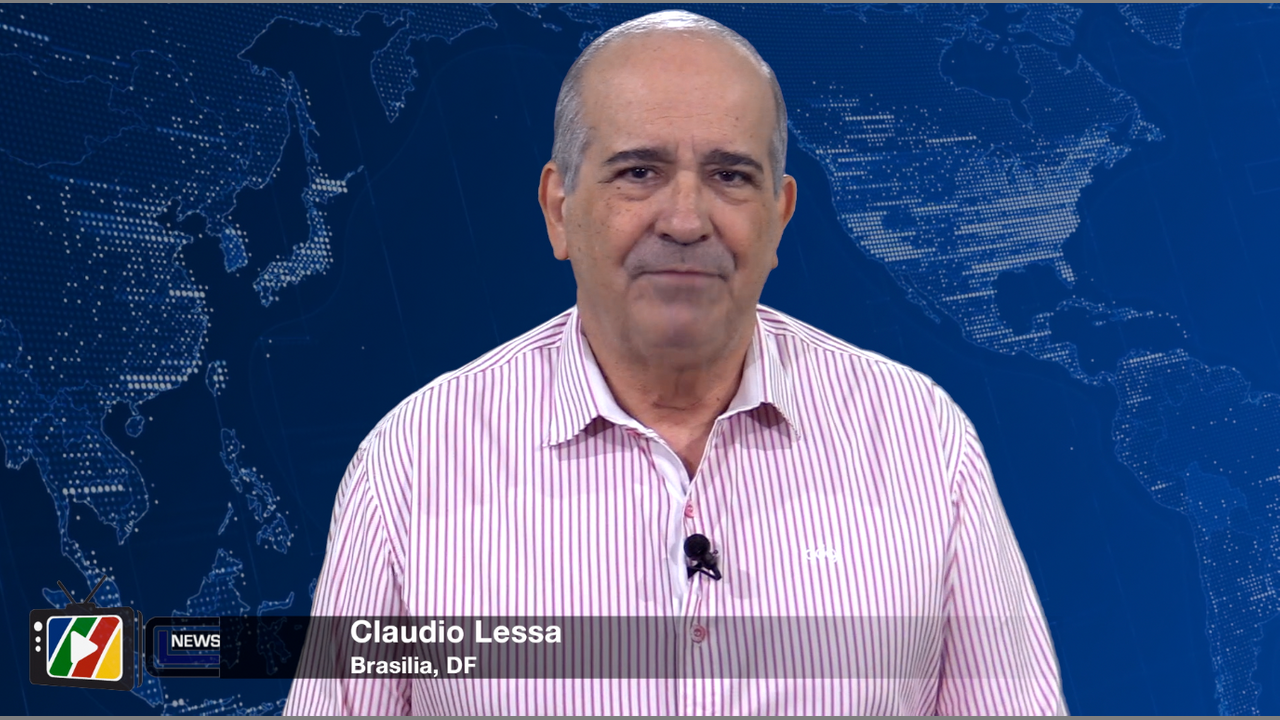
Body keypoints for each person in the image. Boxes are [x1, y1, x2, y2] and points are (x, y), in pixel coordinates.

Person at [285, 10, 1065, 715]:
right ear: (559, 210)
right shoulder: (413, 467)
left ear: (780, 216)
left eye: (730, 175)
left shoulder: (922, 442)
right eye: (639, 172)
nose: (686, 220)